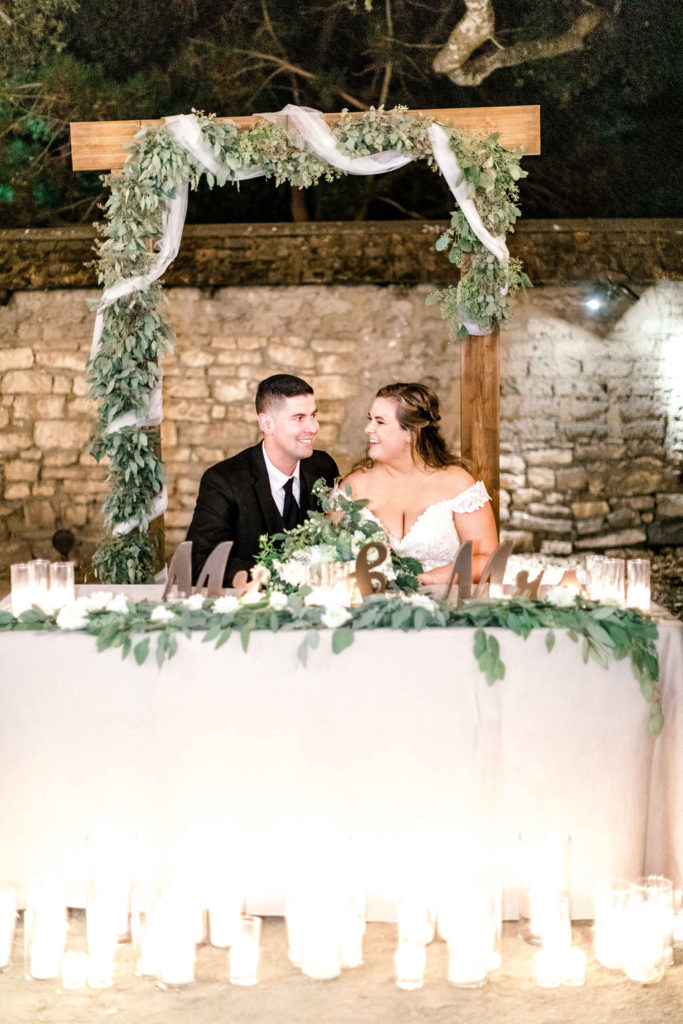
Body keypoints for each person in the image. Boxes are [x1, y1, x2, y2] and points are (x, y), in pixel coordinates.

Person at [186, 374, 338, 585]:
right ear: (267, 423)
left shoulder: (324, 467)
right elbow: (199, 564)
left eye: (313, 415)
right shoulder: (223, 481)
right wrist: (279, 573)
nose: (313, 427)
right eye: (299, 418)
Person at [344, 382, 498, 584]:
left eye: (380, 422)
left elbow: (488, 559)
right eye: (370, 420)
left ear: (412, 432)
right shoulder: (352, 488)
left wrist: (430, 578)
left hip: (446, 606)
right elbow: (333, 559)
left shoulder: (457, 484)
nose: (368, 429)